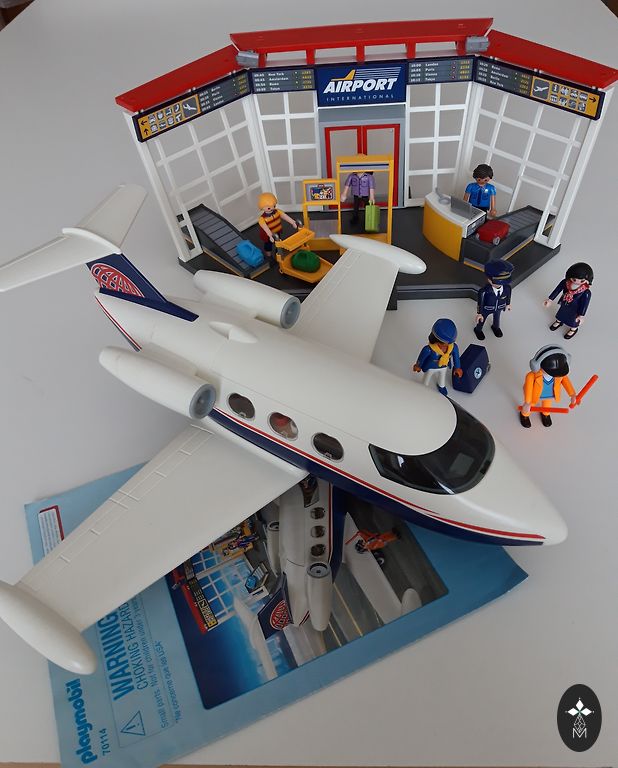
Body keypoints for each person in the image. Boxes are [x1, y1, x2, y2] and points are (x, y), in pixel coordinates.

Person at [519, 345, 577, 428]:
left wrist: (572, 394)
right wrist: (527, 402)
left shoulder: (559, 375)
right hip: (534, 395)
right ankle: (524, 415)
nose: (556, 375)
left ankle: (545, 415)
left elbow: (567, 383)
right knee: (528, 407)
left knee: (547, 407)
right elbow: (529, 388)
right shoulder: (531, 376)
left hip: (549, 395)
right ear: (537, 365)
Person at [412, 319, 463, 396]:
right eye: (443, 343)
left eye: (448, 343)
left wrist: (457, 368)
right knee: (426, 379)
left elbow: (456, 357)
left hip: (444, 366)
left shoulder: (453, 347)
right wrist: (418, 365)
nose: (445, 346)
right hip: (431, 367)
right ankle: (423, 388)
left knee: (442, 378)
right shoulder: (428, 349)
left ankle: (441, 386)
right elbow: (421, 358)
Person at [543, 262, 593, 340]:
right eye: (574, 279)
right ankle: (559, 322)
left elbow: (585, 304)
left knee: (574, 320)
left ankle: (573, 329)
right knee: (561, 313)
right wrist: (550, 299)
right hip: (565, 303)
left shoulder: (586, 292)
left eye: (582, 280)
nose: (577, 282)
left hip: (575, 308)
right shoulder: (565, 283)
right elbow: (557, 290)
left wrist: (581, 315)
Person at [474, 259, 514, 340]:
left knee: (497, 319)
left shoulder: (507, 288)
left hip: (499, 307)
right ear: (489, 279)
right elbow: (480, 302)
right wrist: (479, 313)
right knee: (482, 320)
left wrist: (508, 304)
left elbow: (508, 295)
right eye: (497, 282)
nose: (499, 284)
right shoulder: (484, 291)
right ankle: (478, 330)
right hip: (486, 308)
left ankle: (496, 327)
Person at [257, 192, 299, 261]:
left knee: (278, 242)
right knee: (268, 245)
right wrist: (270, 236)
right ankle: (269, 256)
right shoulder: (262, 219)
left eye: (274, 206)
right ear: (262, 207)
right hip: (268, 235)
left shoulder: (277, 211)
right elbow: (265, 228)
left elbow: (285, 216)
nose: (272, 208)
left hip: (277, 231)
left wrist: (293, 222)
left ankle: (278, 252)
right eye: (269, 208)